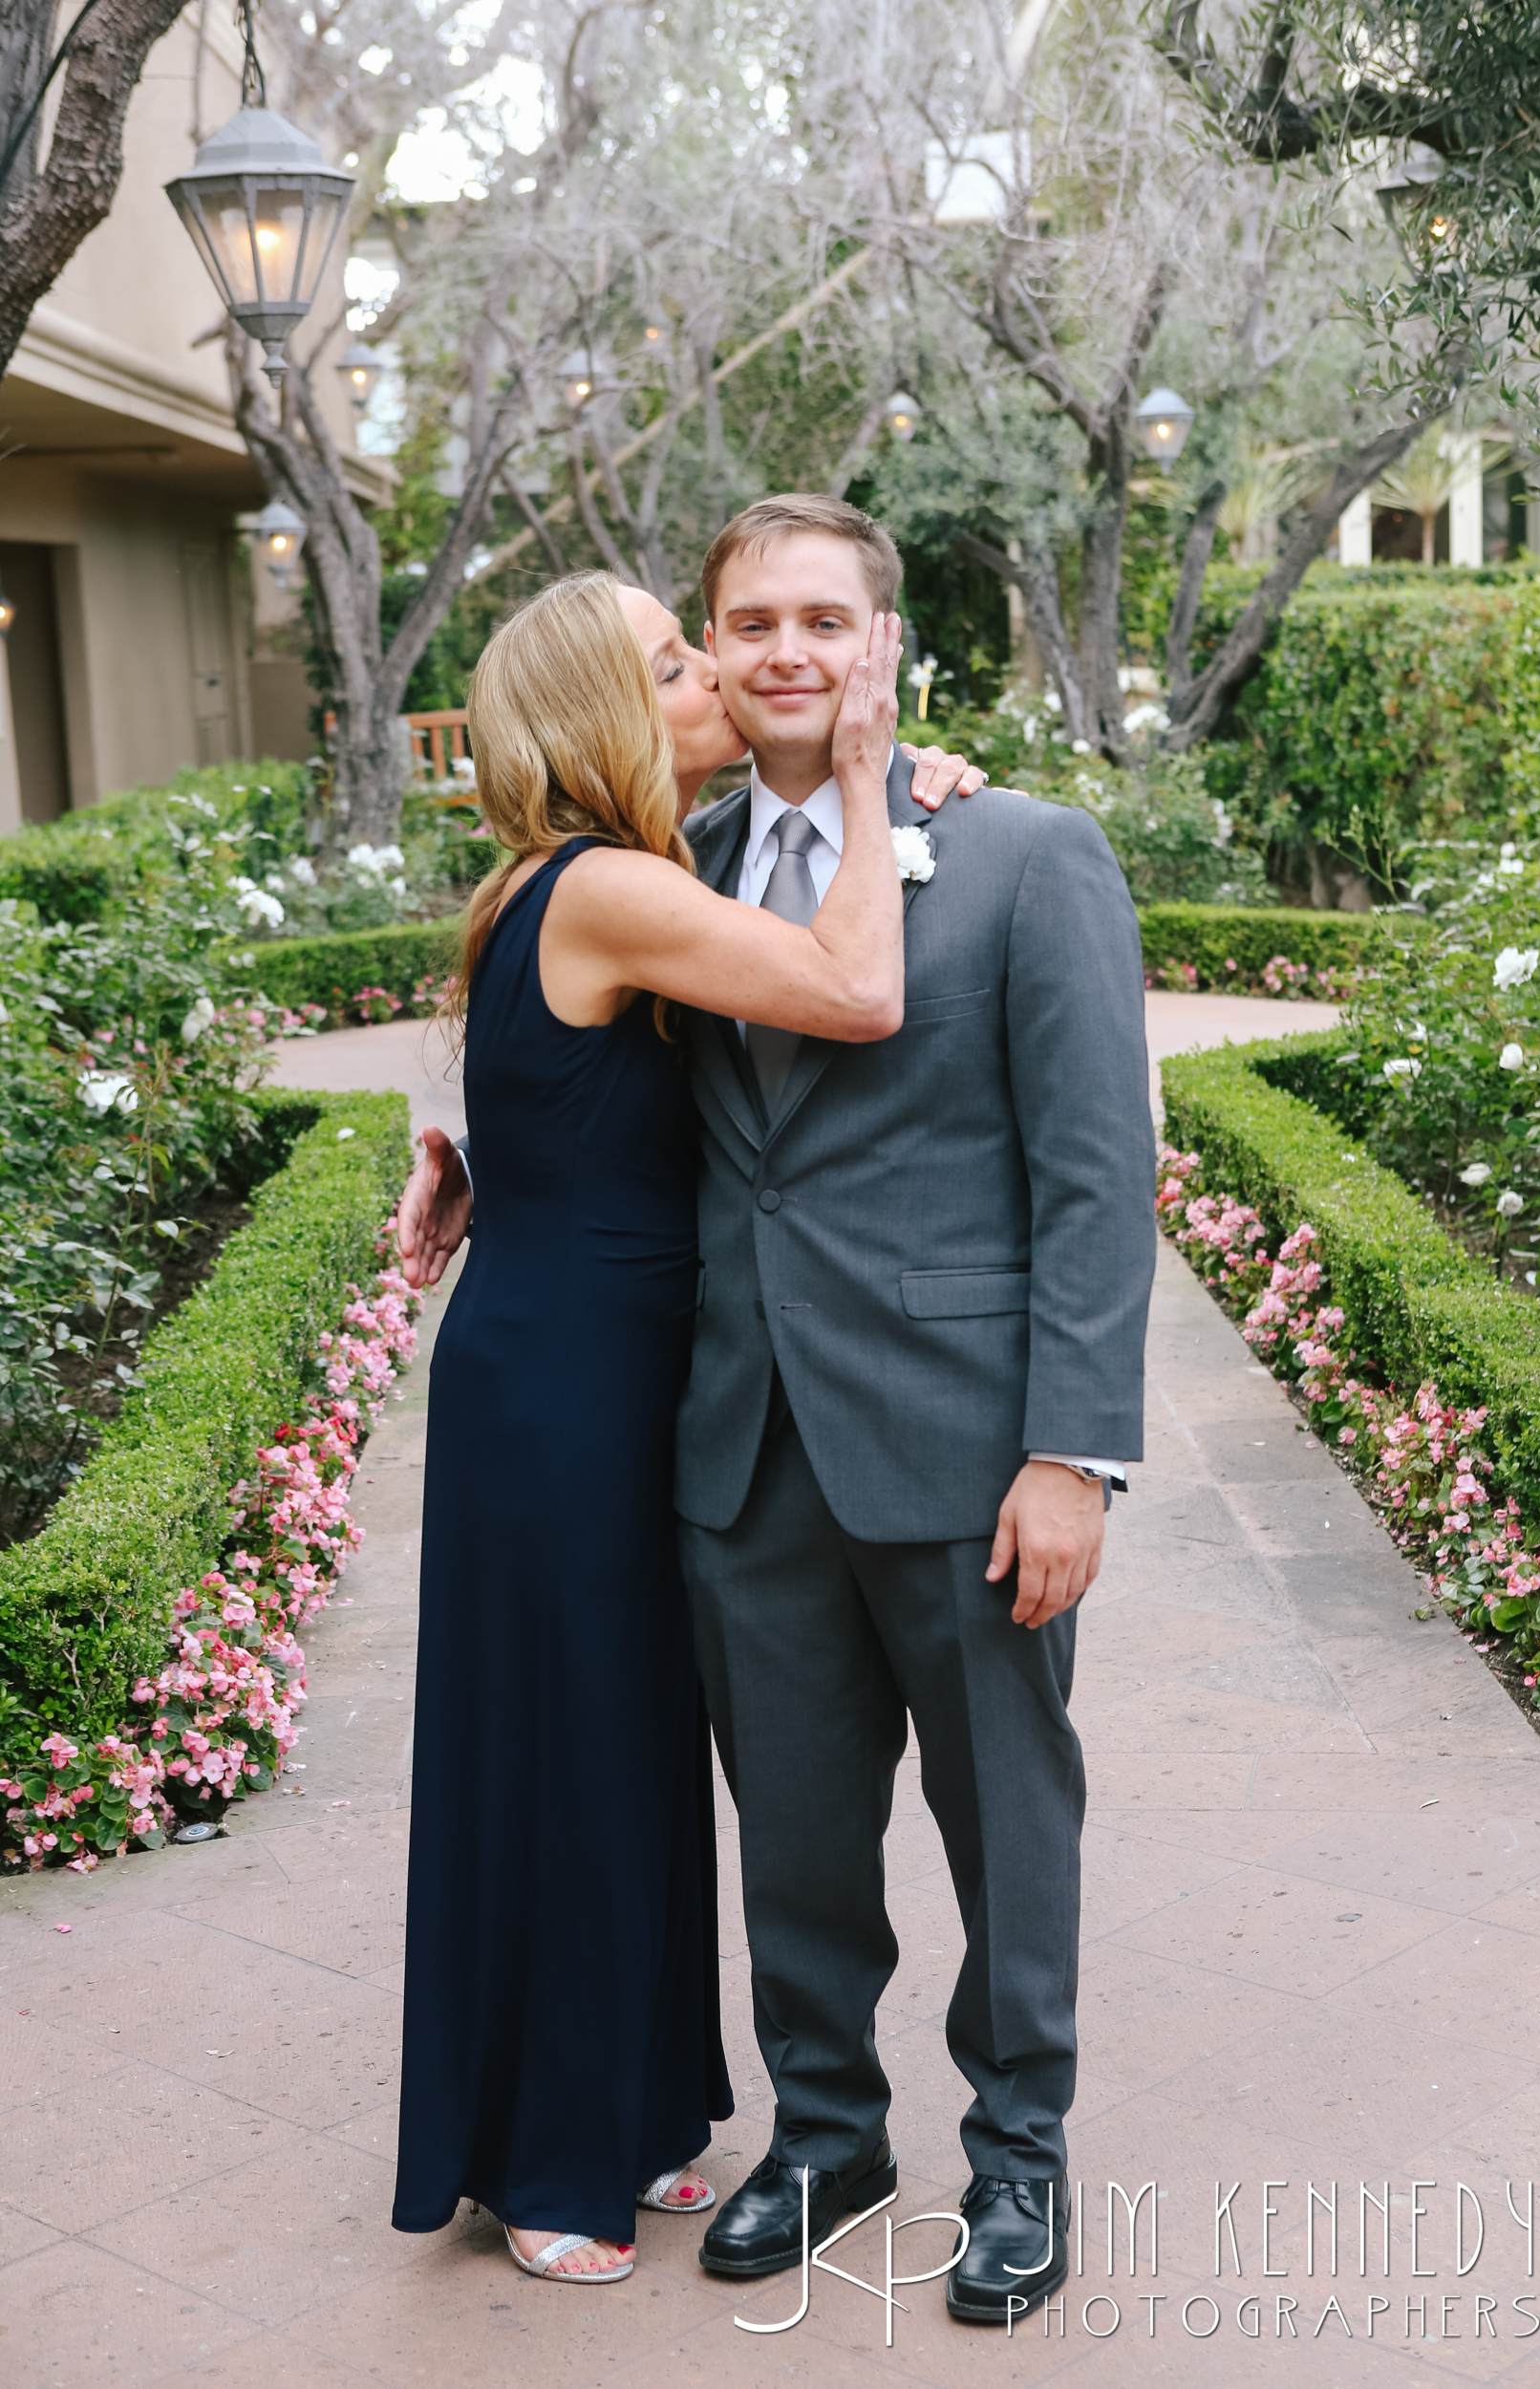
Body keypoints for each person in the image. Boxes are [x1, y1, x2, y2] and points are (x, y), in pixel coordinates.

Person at [400, 496, 1157, 2325]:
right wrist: (484, 1175)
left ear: (882, 641)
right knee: (796, 1836)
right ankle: (824, 2134)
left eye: (827, 618)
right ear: (718, 658)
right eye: (746, 624)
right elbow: (614, 1107)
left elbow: (1094, 1172)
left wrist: (1073, 1452)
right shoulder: (679, 855)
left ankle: (1020, 2161)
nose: (787, 651)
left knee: (1007, 1827)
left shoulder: (1022, 854)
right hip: (730, 1447)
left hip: (967, 1444)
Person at [390, 569, 912, 2286]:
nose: (716, 678)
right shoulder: (611, 884)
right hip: (564, 1393)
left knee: (616, 1746)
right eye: (678, 660)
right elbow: (856, 993)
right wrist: (868, 771)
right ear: (609, 715)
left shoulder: (573, 883)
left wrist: (451, 1149)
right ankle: (549, 2161)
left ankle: (618, 2113)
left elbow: (489, 1062)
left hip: (589, 1368)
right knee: (565, 1749)